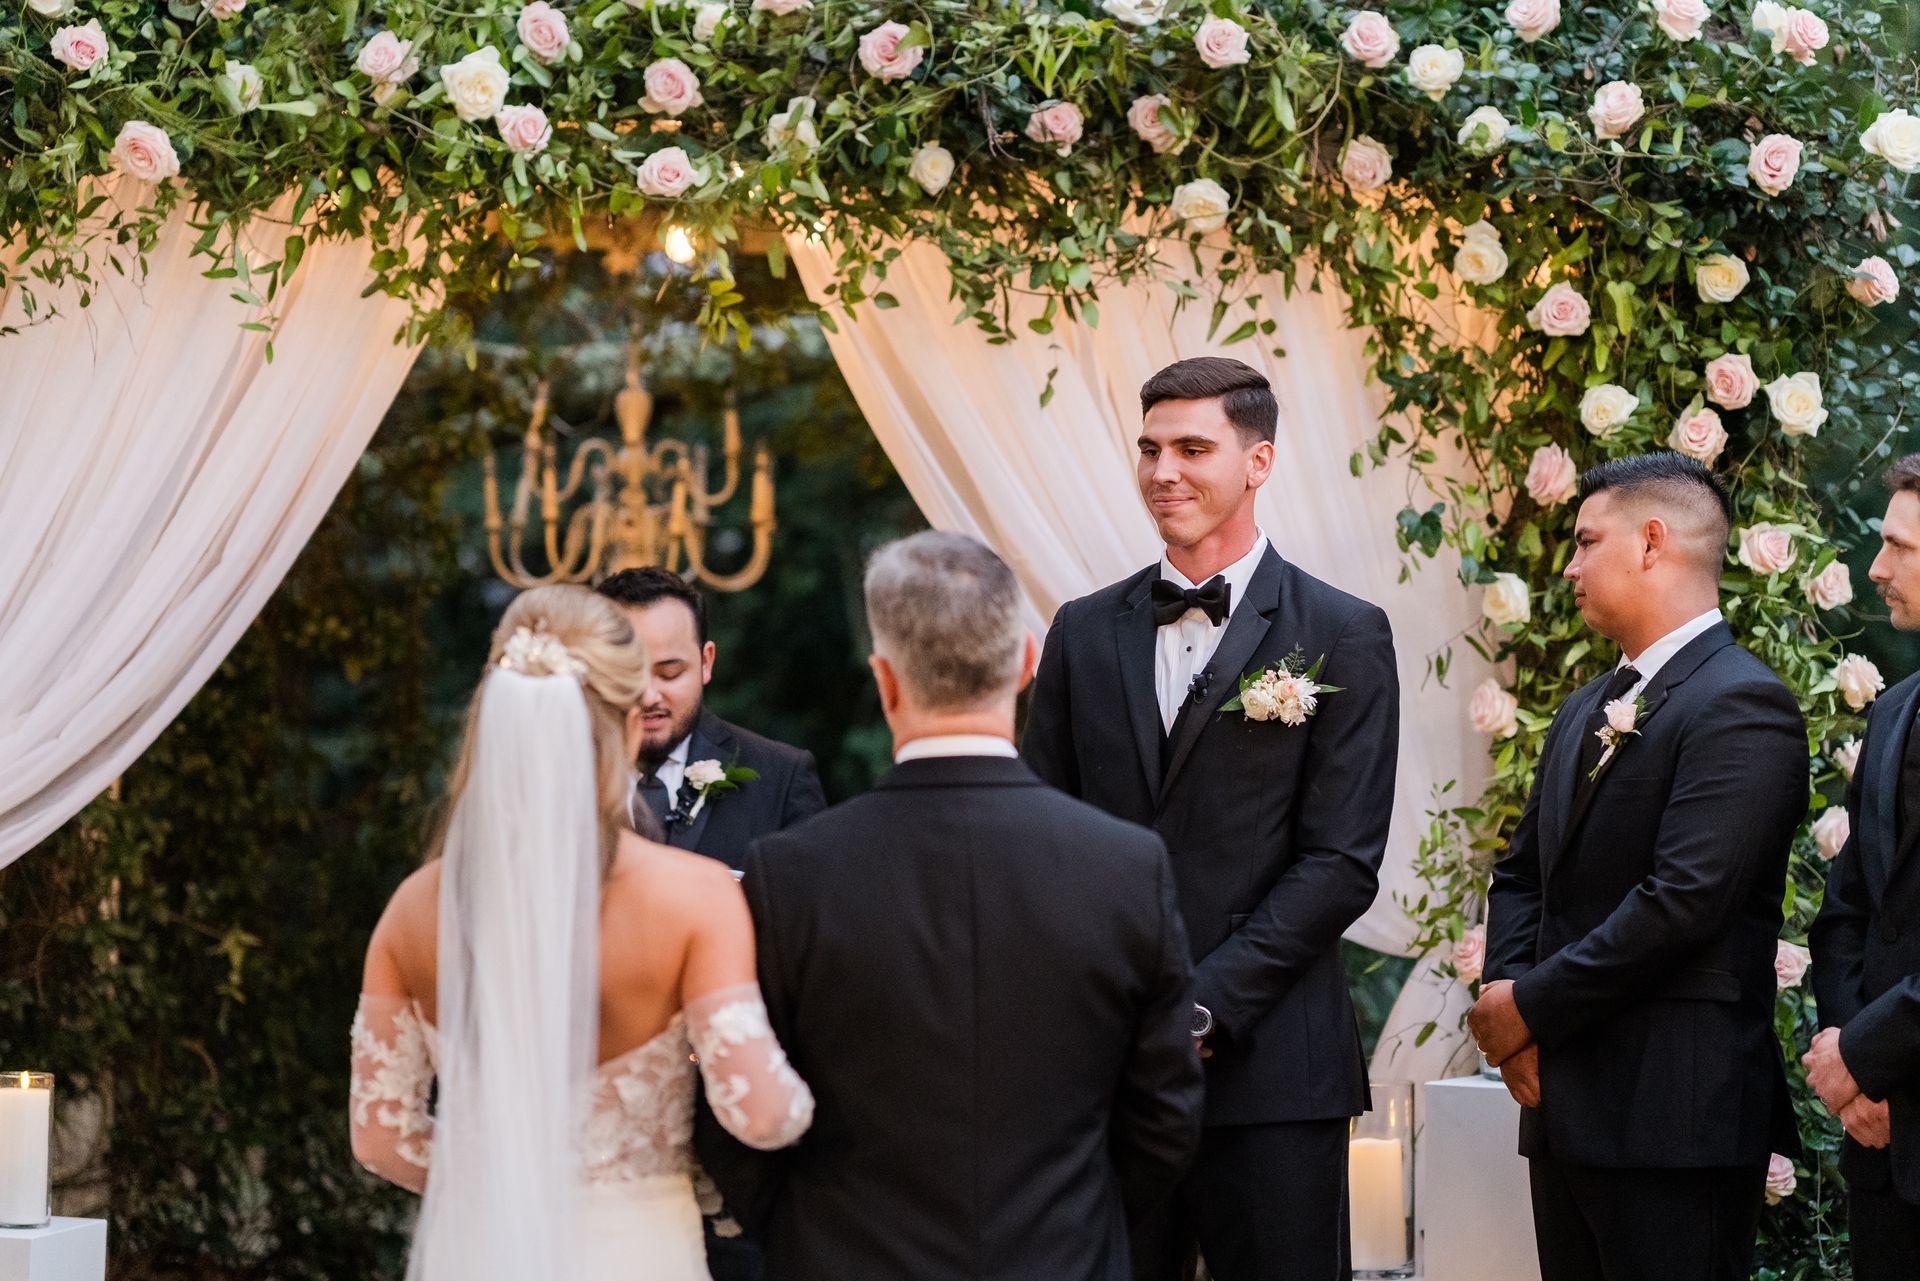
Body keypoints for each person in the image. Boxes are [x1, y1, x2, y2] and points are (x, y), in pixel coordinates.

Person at [699, 531, 1204, 1281]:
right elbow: (1165, 1111)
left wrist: (811, 1232)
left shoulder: (791, 873)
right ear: (1029, 662)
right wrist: (1075, 1226)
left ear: (884, 680)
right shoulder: (1126, 867)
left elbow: (731, 1111)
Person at [1022, 356, 1401, 1281]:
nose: (1163, 471)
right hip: (1104, 1068)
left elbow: (1341, 861)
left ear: (1259, 461)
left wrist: (1202, 1005)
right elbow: (1042, 828)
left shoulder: (1344, 631)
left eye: (1193, 447)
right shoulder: (1080, 629)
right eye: (1149, 448)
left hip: (1275, 1072)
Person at [348, 585, 814, 1281]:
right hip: (637, 1251)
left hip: (483, 1252)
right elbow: (762, 1115)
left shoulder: (414, 907)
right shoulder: (695, 897)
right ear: (627, 725)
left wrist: (510, 1180)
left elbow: (380, 1137)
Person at [1474, 452, 1807, 1281]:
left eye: (1586, 542)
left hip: (1671, 1117)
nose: (1571, 565)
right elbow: (1523, 873)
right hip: (1562, 1105)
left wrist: (1529, 1008)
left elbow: (1684, 902)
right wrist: (1509, 1002)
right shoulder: (1585, 705)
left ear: (1652, 541)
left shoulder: (1742, 702)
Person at [1807, 452, 1920, 1279]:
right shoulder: (1891, 711)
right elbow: (1848, 911)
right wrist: (1852, 1071)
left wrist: (1867, 1055)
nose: (1875, 567)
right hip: (1882, 1152)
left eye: (1900, 547)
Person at [597, 567, 826, 871]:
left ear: (706, 662)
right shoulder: (561, 775)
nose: (649, 696)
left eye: (670, 673)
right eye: (628, 673)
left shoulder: (781, 778)